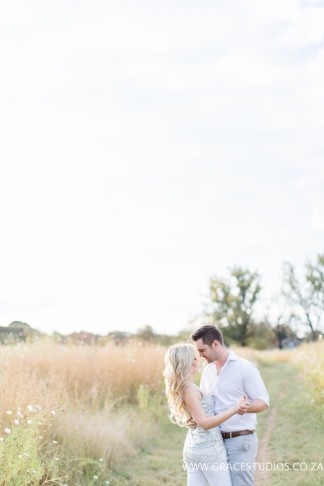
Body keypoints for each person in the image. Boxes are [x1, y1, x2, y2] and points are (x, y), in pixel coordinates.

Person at [191, 325, 270, 486]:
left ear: (215, 344)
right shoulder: (207, 371)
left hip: (240, 440)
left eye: (202, 350)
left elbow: (263, 401)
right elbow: (204, 403)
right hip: (215, 443)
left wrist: (246, 407)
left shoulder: (245, 368)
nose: (199, 356)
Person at [163, 343, 249, 486]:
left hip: (194, 449)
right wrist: (235, 409)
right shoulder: (189, 389)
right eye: (194, 358)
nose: (197, 360)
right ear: (186, 361)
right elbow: (204, 423)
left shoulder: (187, 386)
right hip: (209, 452)